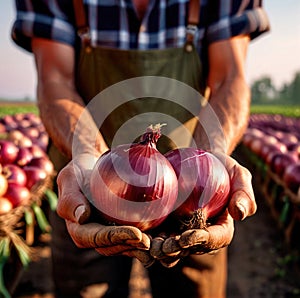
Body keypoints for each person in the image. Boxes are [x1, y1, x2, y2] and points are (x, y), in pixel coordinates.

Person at [12, 1, 270, 297]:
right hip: (90, 192)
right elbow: (55, 79)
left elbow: (229, 78)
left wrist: (211, 157)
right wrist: (86, 154)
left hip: (190, 196)